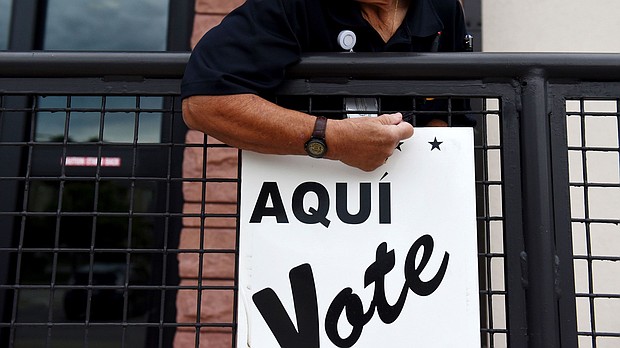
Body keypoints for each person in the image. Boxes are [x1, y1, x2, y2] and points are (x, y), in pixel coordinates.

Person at [181, 0, 471, 172]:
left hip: (414, 225)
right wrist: (332, 139)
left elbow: (456, 114)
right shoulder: (292, 5)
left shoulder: (443, 8)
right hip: (301, 214)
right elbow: (204, 104)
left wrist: (425, 157)